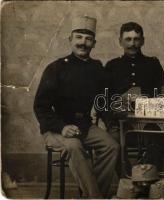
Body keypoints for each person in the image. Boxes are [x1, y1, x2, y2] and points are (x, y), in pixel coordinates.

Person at [33, 16, 119, 198]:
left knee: (111, 146)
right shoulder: (56, 68)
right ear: (70, 40)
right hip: (55, 129)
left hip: (84, 127)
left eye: (88, 39)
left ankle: (93, 195)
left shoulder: (97, 69)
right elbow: (41, 106)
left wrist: (112, 123)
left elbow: (102, 102)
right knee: (73, 146)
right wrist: (61, 127)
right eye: (79, 37)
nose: (83, 43)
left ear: (94, 43)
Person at [103, 22, 164, 170]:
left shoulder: (152, 64)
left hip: (149, 121)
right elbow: (104, 98)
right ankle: (126, 182)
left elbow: (162, 95)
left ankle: (148, 180)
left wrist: (144, 107)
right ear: (120, 41)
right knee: (112, 142)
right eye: (128, 39)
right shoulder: (112, 66)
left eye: (136, 39)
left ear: (142, 41)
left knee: (156, 139)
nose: (132, 44)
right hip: (119, 123)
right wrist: (110, 119)